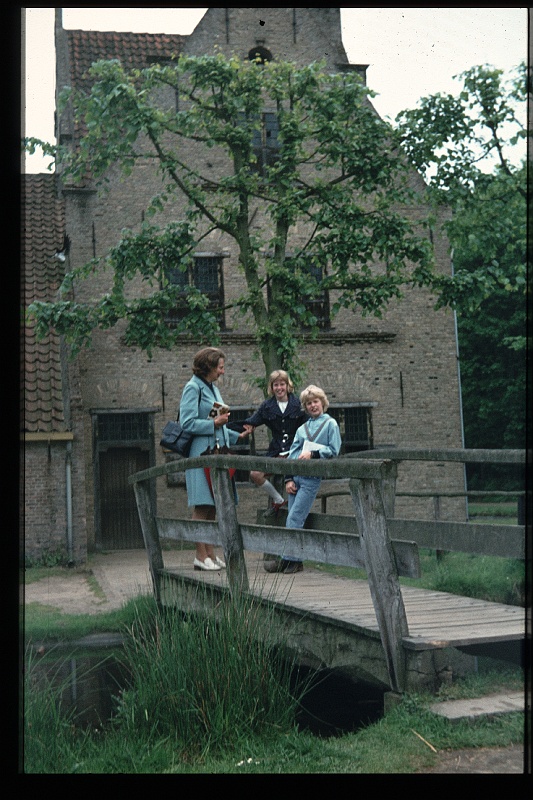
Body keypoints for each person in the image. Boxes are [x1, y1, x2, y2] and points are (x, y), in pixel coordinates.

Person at [180, 347, 250, 571]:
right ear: (208, 366)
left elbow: (219, 425)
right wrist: (214, 424)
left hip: (216, 452)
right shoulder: (192, 388)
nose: (223, 371)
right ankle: (200, 556)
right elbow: (187, 423)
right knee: (202, 506)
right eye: (220, 367)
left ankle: (210, 553)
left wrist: (236, 435)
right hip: (202, 454)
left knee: (212, 507)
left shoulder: (212, 389)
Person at [264, 385, 342, 574]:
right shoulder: (302, 428)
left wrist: (314, 454)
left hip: (311, 478)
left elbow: (334, 450)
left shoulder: (330, 424)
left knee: (295, 518)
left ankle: (291, 560)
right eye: (308, 403)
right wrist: (288, 479)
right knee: (292, 518)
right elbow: (292, 453)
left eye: (315, 401)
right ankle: (290, 558)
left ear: (322, 402)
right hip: (296, 478)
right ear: (305, 408)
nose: (313, 406)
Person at [234, 370, 309, 515]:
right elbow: (251, 422)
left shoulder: (299, 405)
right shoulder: (267, 406)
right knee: (255, 474)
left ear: (288, 386)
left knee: (295, 483)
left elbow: (308, 429)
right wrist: (227, 426)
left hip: (295, 453)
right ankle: (278, 500)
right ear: (271, 387)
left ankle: (297, 512)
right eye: (276, 385)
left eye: (282, 384)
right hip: (276, 452)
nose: (279, 388)